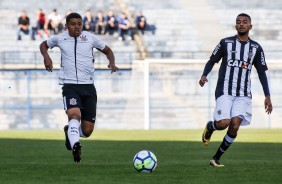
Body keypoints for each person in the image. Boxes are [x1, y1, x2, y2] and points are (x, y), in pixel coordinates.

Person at [39, 12, 118, 163]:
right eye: (73, 24)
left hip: (88, 87)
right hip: (69, 86)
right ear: (67, 25)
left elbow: (108, 51)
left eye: (79, 24)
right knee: (74, 115)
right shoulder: (60, 38)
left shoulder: (89, 38)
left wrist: (112, 63)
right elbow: (43, 45)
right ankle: (76, 145)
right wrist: (46, 57)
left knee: (87, 131)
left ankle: (71, 132)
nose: (77, 27)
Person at [199, 13, 273, 167]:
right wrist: (204, 75)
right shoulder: (225, 43)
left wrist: (267, 95)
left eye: (245, 22)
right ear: (235, 25)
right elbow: (212, 60)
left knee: (235, 125)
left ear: (250, 26)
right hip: (225, 90)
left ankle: (216, 158)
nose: (241, 24)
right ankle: (211, 126)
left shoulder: (256, 48)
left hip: (244, 94)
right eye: (238, 22)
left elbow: (261, 73)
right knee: (223, 123)